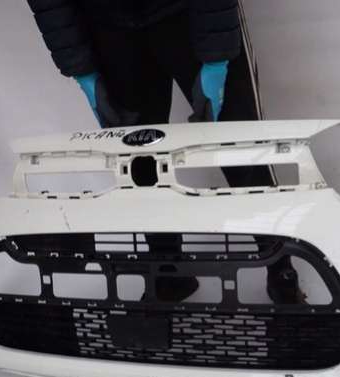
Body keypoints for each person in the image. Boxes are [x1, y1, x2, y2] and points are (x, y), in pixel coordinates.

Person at [26, 0, 305, 303]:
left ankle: (280, 270)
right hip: (108, 22)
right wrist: (80, 68)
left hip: (190, 12)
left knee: (240, 147)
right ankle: (168, 273)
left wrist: (217, 56)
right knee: (138, 158)